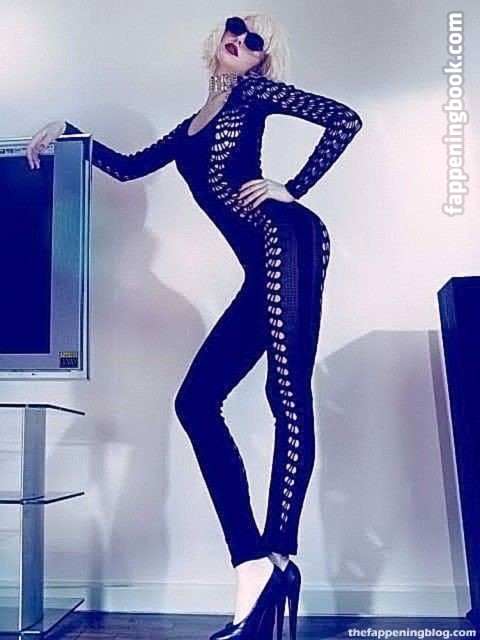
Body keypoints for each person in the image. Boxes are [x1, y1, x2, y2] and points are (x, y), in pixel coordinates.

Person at [27, 13, 363, 639]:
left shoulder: (254, 93)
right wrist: (67, 134)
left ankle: (276, 557)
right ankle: (253, 563)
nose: (241, 41)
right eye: (236, 28)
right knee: (196, 403)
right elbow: (128, 167)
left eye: (255, 42)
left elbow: (344, 119)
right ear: (220, 37)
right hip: (261, 266)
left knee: (285, 392)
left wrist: (292, 188)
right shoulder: (189, 128)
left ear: (261, 61)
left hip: (289, 240)